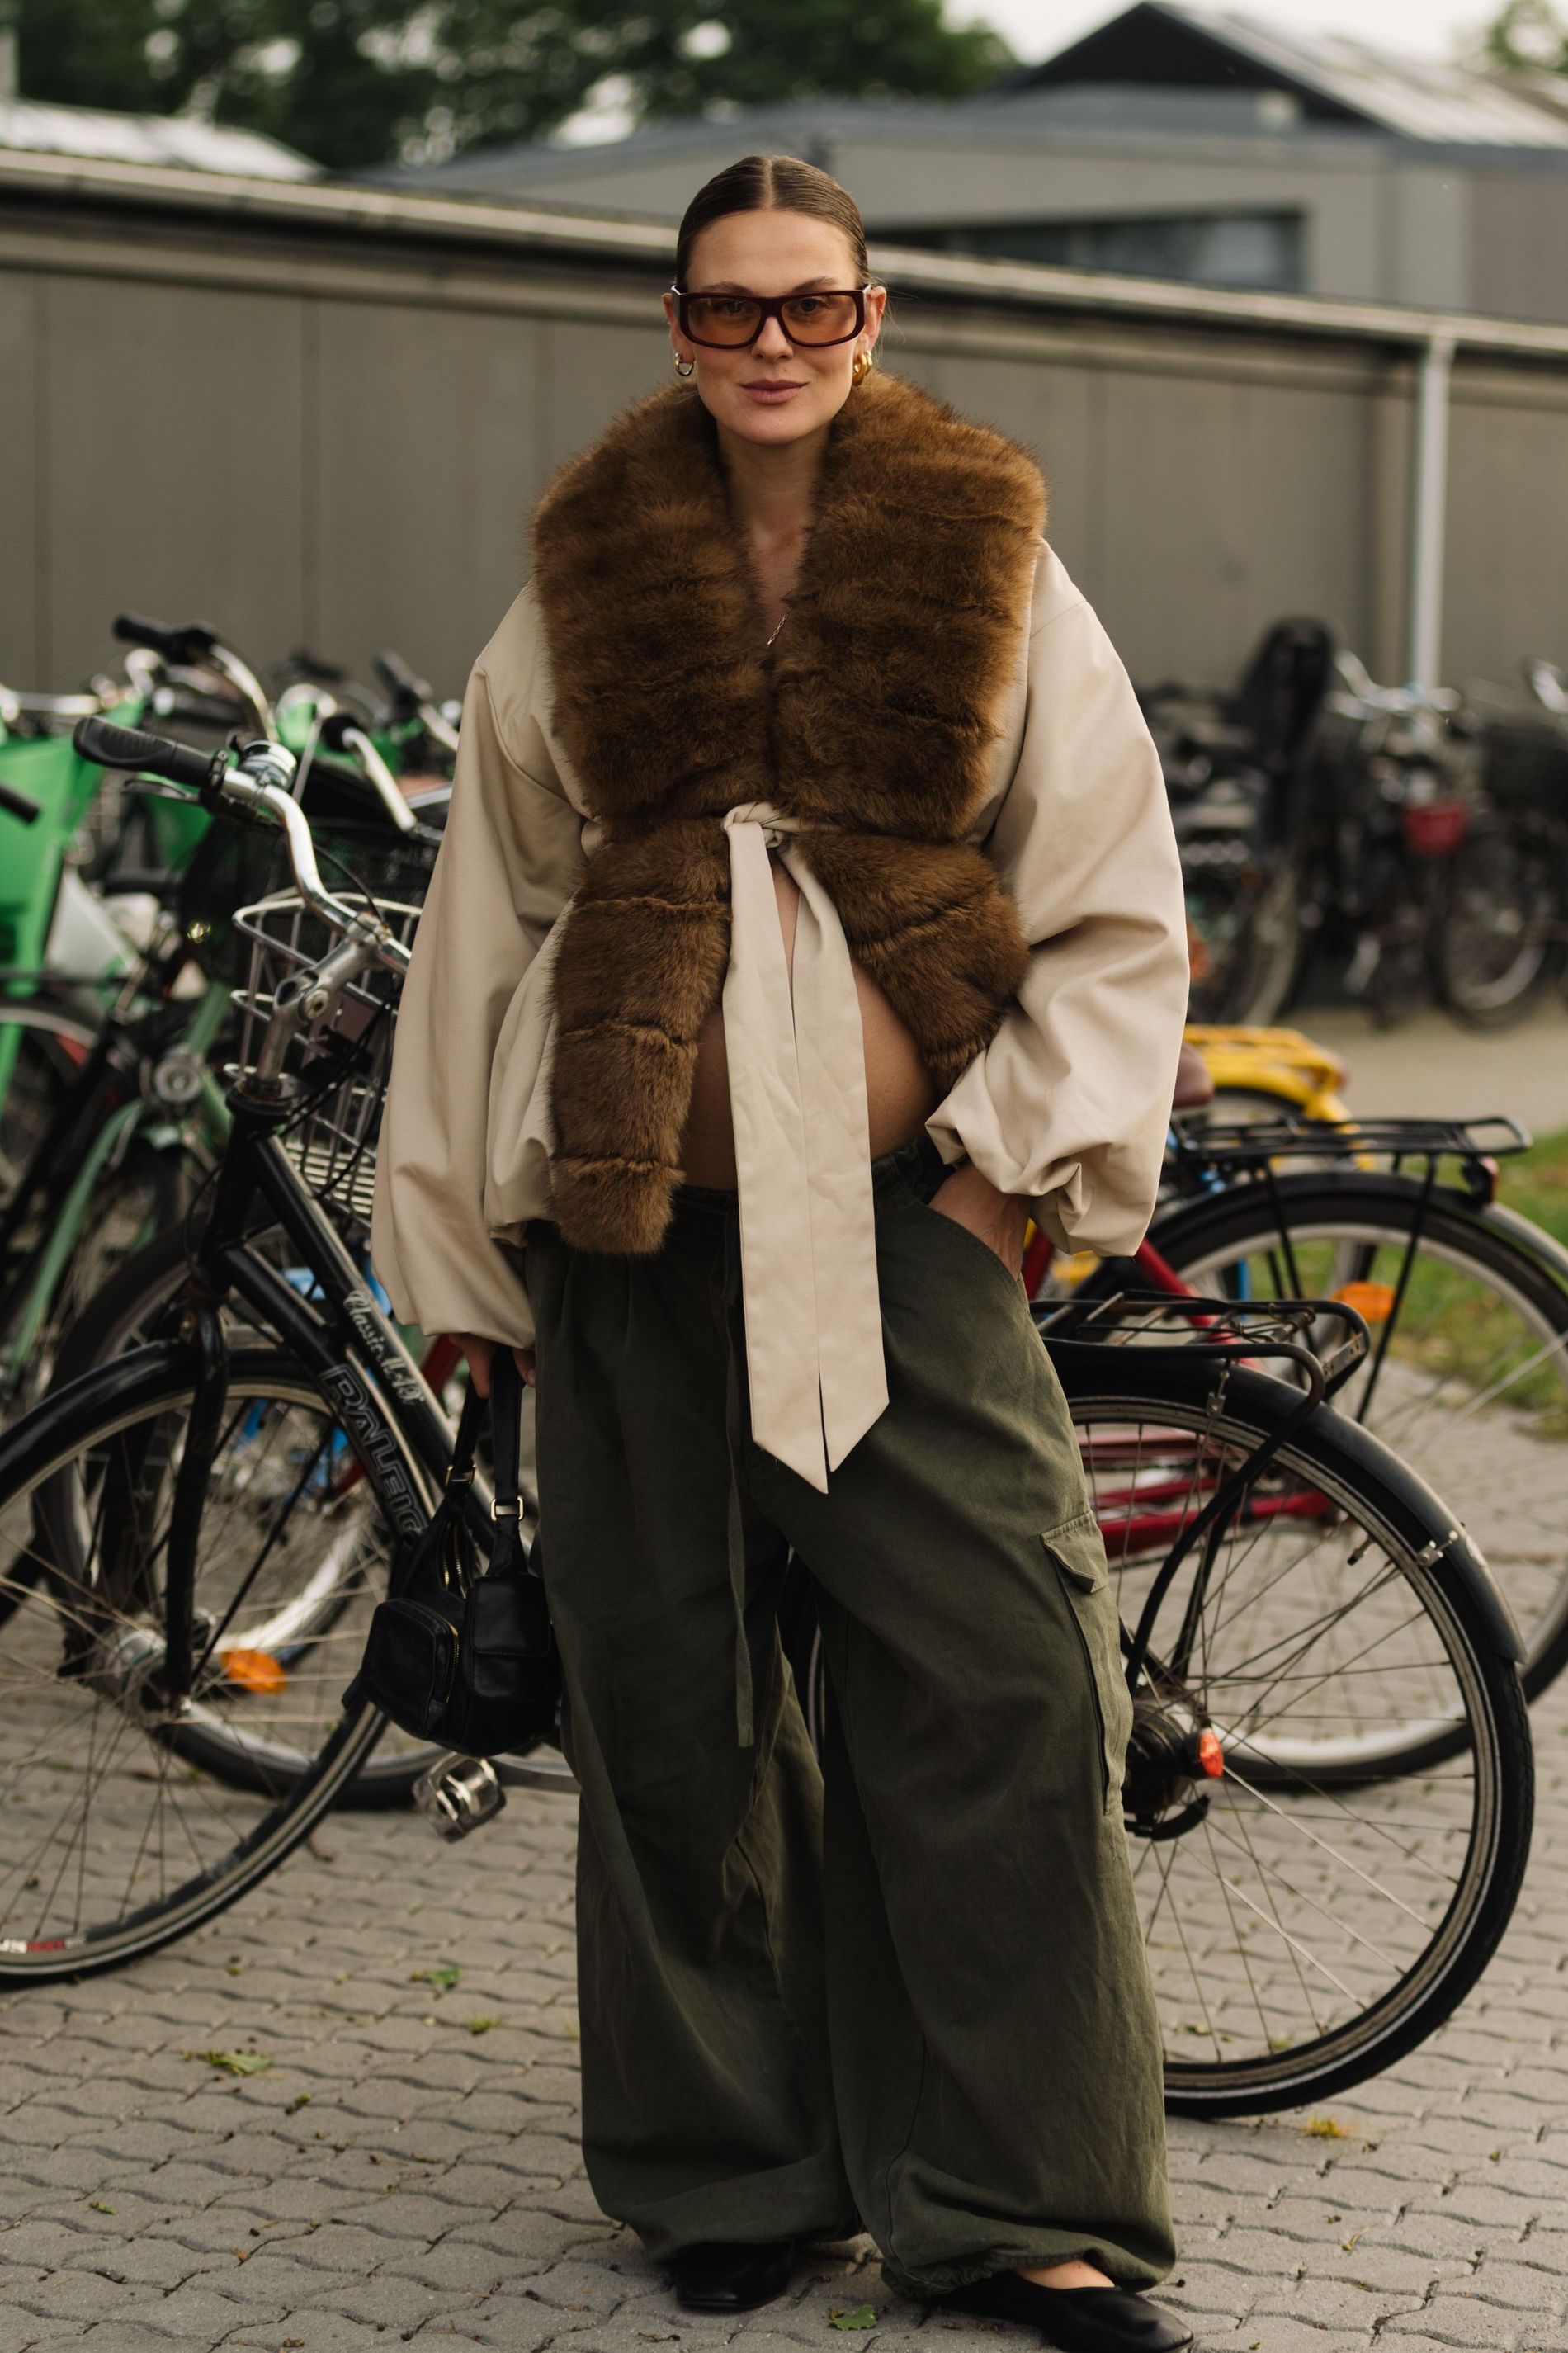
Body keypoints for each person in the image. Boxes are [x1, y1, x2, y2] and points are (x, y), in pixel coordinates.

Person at [373, 153, 1193, 2353]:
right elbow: (486, 924)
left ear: (869, 315)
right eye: (727, 306)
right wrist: (460, 1265)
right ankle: (727, 2169)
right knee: (669, 1706)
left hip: (912, 1240)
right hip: (631, 1238)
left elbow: (1110, 891)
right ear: (675, 325)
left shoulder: (987, 552)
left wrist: (1005, 1190)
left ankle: (1022, 2202)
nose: (768, 341)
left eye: (807, 304)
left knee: (1009, 1682)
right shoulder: (582, 573)